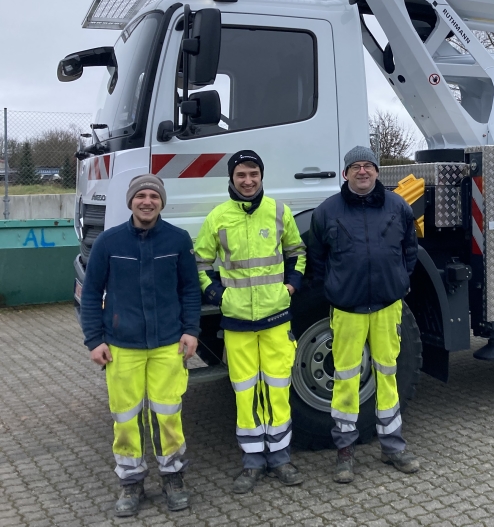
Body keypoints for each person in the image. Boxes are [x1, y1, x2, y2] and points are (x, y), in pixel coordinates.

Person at [80, 174, 201, 517]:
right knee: (126, 418)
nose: (147, 201)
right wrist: (94, 340)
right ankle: (131, 482)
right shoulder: (109, 242)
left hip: (167, 344)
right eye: (140, 196)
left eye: (153, 196)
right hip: (122, 346)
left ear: (162, 202)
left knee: (167, 415)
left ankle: (173, 477)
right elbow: (91, 294)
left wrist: (191, 331)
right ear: (130, 201)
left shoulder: (178, 240)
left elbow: (190, 290)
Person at [194, 150, 306, 493]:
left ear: (261, 176)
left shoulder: (278, 211)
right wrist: (217, 296)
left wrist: (292, 287)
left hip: (275, 318)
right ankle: (253, 461)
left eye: (253, 174)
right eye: (241, 174)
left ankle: (281, 458)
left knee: (277, 389)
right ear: (232, 178)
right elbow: (200, 262)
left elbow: (297, 253)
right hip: (238, 320)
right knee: (245, 392)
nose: (248, 180)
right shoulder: (218, 217)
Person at [308, 145, 421, 484]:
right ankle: (345, 451)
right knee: (345, 378)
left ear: (376, 171)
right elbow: (317, 259)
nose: (362, 172)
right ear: (345, 173)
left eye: (368, 166)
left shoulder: (398, 206)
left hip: (387, 307)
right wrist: (334, 288)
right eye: (355, 166)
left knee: (388, 374)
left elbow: (410, 251)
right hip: (347, 309)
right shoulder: (327, 211)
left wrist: (398, 282)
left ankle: (393, 447)